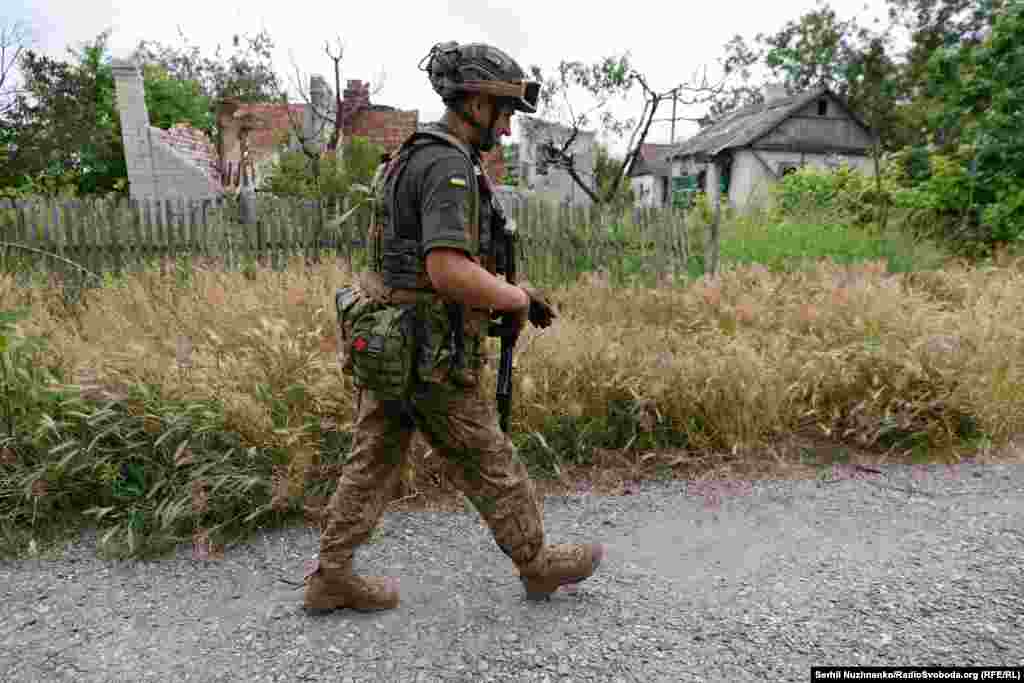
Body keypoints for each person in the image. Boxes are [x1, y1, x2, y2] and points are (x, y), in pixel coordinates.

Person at [302, 41, 604, 613]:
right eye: (505, 111)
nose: (509, 128)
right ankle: (537, 564)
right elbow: (447, 269)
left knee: (373, 458)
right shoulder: (447, 165)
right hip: (429, 350)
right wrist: (518, 298)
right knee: (487, 455)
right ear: (474, 104)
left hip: (392, 341)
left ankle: (332, 574)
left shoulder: (411, 154)